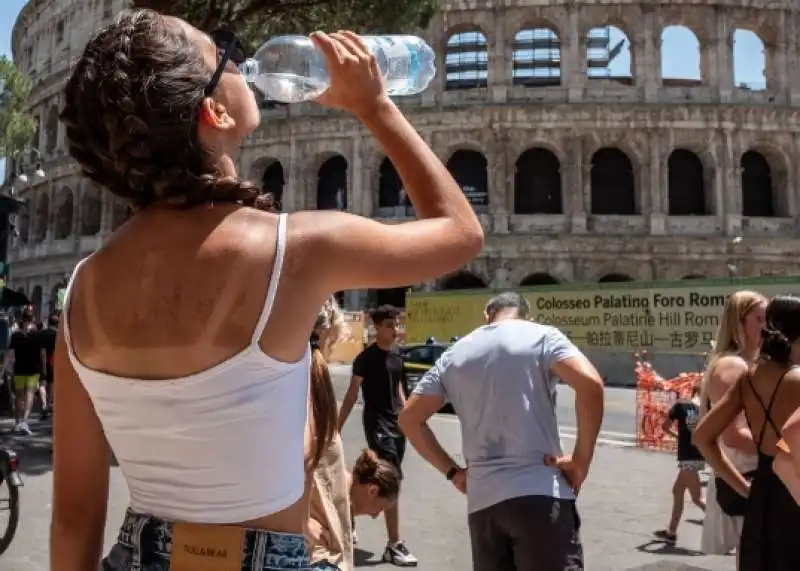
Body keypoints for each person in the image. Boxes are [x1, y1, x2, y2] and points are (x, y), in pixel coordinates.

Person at [51, 9, 484, 571]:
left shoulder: (84, 287)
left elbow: (73, 518)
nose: (241, 60)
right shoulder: (293, 249)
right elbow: (460, 233)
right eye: (225, 53)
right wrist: (374, 105)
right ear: (215, 108)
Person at [399, 292, 605, 571]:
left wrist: (453, 473)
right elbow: (590, 384)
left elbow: (409, 418)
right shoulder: (542, 336)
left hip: (484, 505)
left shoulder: (454, 354)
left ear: (487, 314)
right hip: (540, 493)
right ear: (525, 315)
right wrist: (581, 460)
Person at [694, 294, 800, 571]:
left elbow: (702, 438)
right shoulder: (796, 380)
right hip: (792, 493)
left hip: (760, 494)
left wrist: (743, 487)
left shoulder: (749, 378)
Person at [338, 305, 416, 566]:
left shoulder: (398, 357)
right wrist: (335, 428)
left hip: (398, 428)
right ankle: (394, 545)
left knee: (373, 478)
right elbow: (351, 395)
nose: (396, 330)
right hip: (378, 426)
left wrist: (409, 421)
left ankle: (346, 519)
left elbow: (401, 394)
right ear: (376, 327)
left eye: (397, 325)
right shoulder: (365, 359)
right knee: (388, 481)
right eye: (390, 325)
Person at [698, 290, 765, 558]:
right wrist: (785, 447)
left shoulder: (751, 363)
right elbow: (734, 435)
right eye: (759, 319)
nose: (768, 327)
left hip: (748, 476)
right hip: (744, 477)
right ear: (739, 323)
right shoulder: (733, 366)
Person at [309, 448, 401, 571]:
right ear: (372, 490)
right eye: (380, 508)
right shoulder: (334, 501)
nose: (374, 516)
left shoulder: (339, 484)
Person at [653, 384, 706, 544]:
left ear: (693, 391)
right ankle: (671, 531)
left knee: (697, 498)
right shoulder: (706, 410)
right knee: (678, 491)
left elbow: (665, 427)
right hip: (699, 454)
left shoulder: (680, 406)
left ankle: (724, 529)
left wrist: (679, 437)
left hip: (686, 456)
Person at [4, 307, 45, 435]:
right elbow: (42, 352)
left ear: (22, 319)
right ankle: (25, 421)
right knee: (30, 394)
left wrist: (6, 369)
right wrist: (43, 369)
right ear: (32, 319)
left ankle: (17, 421)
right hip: (34, 370)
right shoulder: (37, 335)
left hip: (19, 369)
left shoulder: (16, 335)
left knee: (19, 395)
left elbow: (10, 353)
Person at [38, 314, 59, 419]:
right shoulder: (57, 335)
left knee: (41, 383)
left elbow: (40, 349)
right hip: (53, 361)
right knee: (51, 384)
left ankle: (44, 403)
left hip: (41, 361)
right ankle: (47, 405)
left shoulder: (42, 333)